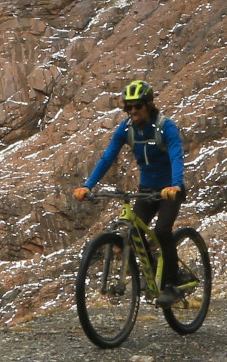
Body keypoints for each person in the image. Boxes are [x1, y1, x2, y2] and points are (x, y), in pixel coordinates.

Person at [73, 80, 189, 304]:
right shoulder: (126, 130)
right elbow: (108, 158)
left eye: (137, 106)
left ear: (149, 105)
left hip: (169, 190)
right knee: (134, 231)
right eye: (128, 107)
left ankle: (173, 285)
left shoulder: (166, 127)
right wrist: (88, 186)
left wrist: (175, 185)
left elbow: (176, 155)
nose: (132, 111)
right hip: (146, 189)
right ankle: (153, 271)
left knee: (163, 230)